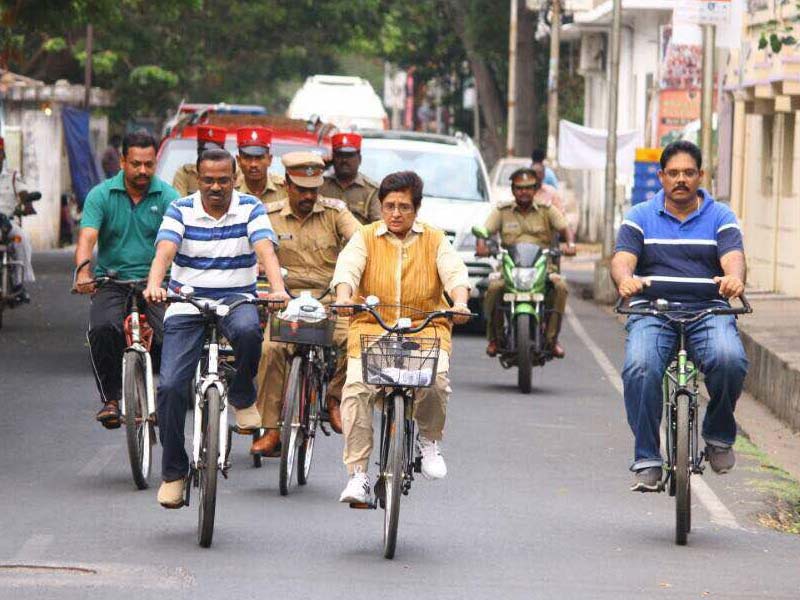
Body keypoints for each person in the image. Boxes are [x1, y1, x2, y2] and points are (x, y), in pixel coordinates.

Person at [142, 148, 288, 508]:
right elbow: (165, 251)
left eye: (223, 180)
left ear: (234, 179)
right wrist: (155, 284)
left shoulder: (250, 207)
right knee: (171, 387)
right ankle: (174, 473)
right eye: (208, 180)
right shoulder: (181, 209)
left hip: (236, 298)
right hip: (186, 301)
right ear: (198, 180)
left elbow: (265, 250)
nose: (216, 187)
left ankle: (242, 395)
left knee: (250, 332)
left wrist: (278, 289)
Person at [611, 140, 748, 492]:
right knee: (640, 367)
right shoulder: (640, 216)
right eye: (673, 173)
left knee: (730, 359)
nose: (681, 179)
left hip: (709, 311)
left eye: (688, 172)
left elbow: (733, 257)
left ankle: (718, 436)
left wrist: (734, 278)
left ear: (701, 175)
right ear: (661, 177)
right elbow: (623, 259)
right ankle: (647, 458)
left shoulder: (720, 216)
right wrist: (625, 280)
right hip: (653, 312)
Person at [331, 171, 472, 504]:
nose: (396, 214)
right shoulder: (365, 237)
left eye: (404, 207)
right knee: (356, 389)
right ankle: (358, 475)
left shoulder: (435, 239)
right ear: (381, 206)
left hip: (425, 329)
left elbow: (455, 273)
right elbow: (348, 268)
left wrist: (460, 302)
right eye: (390, 206)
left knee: (436, 381)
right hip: (372, 328)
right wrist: (344, 296)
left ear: (416, 209)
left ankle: (429, 442)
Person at [251, 152, 360, 455]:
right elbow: (250, 250)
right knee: (270, 350)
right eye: (301, 189)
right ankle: (271, 428)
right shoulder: (268, 215)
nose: (309, 196)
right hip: (286, 300)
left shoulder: (335, 212)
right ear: (287, 184)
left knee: (357, 342)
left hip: (330, 300)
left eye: (314, 189)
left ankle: (335, 398)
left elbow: (361, 243)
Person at [74, 130, 179, 428]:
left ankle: (168, 397)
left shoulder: (169, 197)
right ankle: (111, 399)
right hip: (112, 281)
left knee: (173, 333)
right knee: (102, 328)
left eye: (149, 164)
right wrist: (83, 272)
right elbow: (88, 237)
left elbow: (176, 242)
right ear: (122, 162)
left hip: (157, 283)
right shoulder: (101, 195)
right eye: (136, 164)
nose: (143, 170)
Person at [476, 167, 576, 359]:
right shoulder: (502, 211)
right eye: (519, 188)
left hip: (543, 268)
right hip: (509, 268)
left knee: (560, 287)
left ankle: (552, 339)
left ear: (535, 189)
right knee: (494, 288)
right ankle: (495, 338)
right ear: (513, 190)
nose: (524, 192)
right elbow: (484, 230)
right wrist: (481, 245)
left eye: (528, 188)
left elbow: (565, 228)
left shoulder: (547, 210)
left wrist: (570, 244)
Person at [0, 136, 35, 298]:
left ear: (3, 155)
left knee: (22, 239)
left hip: (8, 223)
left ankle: (19, 284)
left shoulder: (12, 175)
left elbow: (23, 192)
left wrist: (28, 204)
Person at [319, 132, 381, 225]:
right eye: (340, 155)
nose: (344, 160)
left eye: (349, 156)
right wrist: (320, 166)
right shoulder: (320, 185)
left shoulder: (372, 190)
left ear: (359, 159)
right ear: (333, 158)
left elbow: (378, 225)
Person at [234, 126, 286, 205]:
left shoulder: (284, 189)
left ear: (269, 160)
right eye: (247, 158)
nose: (253, 164)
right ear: (238, 161)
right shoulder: (231, 191)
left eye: (259, 158)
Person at [172, 124, 227, 197]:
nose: (209, 159)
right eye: (205, 153)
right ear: (198, 151)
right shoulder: (185, 173)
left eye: (214, 155)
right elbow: (180, 202)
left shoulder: (232, 175)